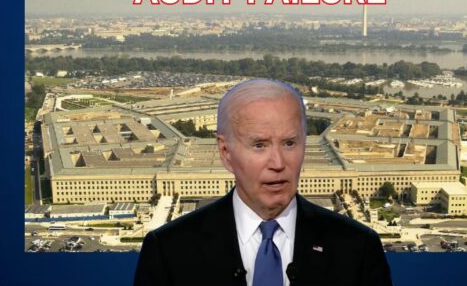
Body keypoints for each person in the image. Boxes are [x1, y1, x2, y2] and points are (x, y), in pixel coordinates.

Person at [134, 79, 393, 286]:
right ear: (225, 152)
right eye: (259, 145)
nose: (278, 163)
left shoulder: (357, 248)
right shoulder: (169, 250)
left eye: (289, 143)